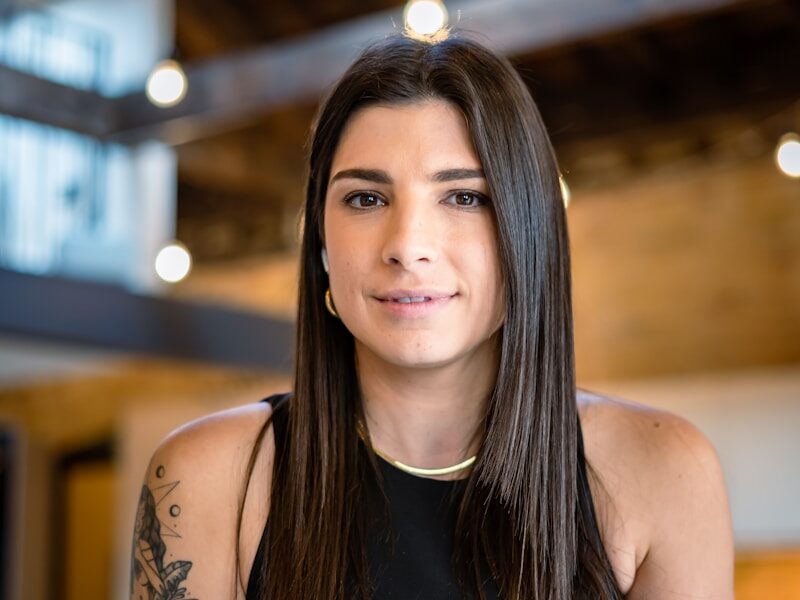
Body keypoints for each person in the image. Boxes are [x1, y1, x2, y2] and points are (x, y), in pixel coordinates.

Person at [128, 31, 734, 600]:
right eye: (366, 198)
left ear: (529, 235)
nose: (407, 244)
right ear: (321, 248)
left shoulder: (664, 473)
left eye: (464, 197)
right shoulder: (207, 482)